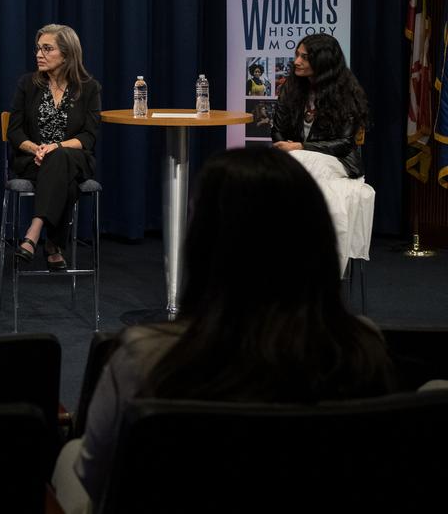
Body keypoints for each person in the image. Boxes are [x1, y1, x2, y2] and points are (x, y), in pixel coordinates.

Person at [51, 148, 395, 513]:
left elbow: (97, 477)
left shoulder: (143, 357)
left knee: (71, 454)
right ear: (318, 237)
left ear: (203, 245)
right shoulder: (362, 347)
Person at [6, 24, 101, 271]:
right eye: (38, 48)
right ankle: (53, 244)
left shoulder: (89, 88)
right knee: (62, 173)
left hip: (75, 157)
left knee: (60, 157)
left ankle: (33, 231)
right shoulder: (27, 84)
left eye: (47, 49)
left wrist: (55, 147)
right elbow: (14, 131)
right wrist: (36, 148)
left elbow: (89, 137)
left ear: (68, 54)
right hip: (32, 160)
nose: (39, 54)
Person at [271, 34, 366, 178]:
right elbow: (277, 131)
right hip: (296, 156)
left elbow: (344, 143)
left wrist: (301, 147)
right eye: (297, 55)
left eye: (305, 57)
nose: (296, 61)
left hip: (337, 160)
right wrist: (287, 146)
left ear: (323, 61)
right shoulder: (290, 87)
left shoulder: (346, 92)